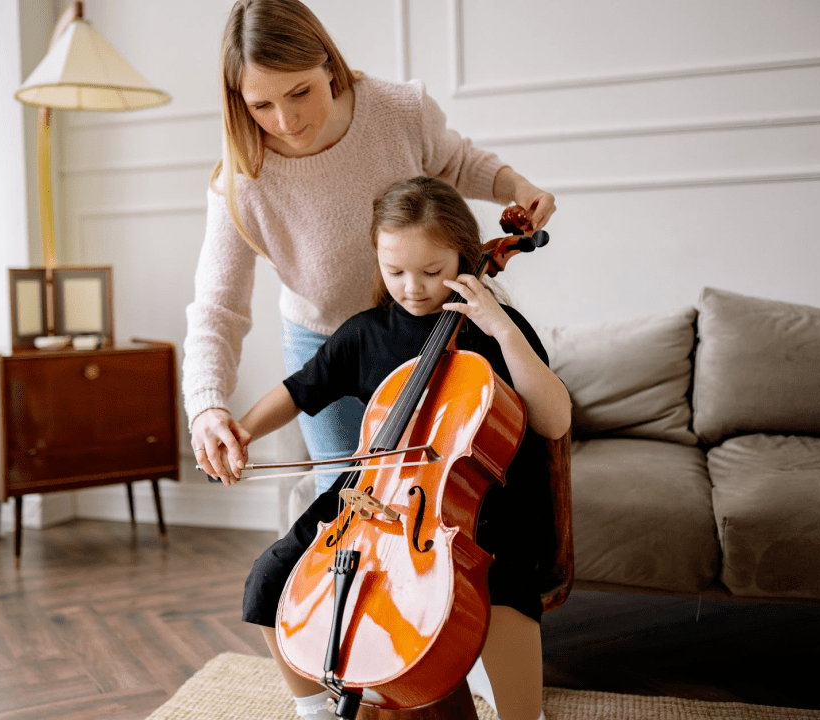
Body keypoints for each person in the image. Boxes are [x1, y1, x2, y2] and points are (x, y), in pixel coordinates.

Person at [220, 176, 572, 720]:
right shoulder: (366, 333)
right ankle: (315, 709)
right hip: (376, 489)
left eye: (432, 271)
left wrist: (502, 329)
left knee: (500, 583)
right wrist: (241, 430)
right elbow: (298, 390)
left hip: (480, 499)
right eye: (395, 271)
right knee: (272, 577)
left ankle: (523, 713)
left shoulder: (493, 331)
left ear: (463, 251)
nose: (413, 287)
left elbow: (555, 419)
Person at [184, 0, 556, 497]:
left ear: (329, 65)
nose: (287, 120)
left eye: (300, 92)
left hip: (430, 322)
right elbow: (217, 309)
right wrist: (208, 405)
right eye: (261, 106)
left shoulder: (398, 110)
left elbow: (457, 162)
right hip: (326, 338)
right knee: (346, 502)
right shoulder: (242, 180)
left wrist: (516, 184)